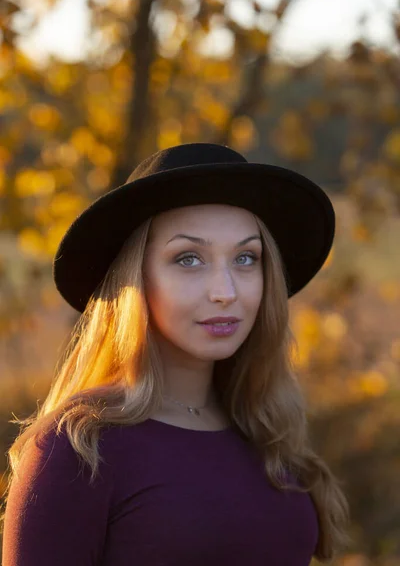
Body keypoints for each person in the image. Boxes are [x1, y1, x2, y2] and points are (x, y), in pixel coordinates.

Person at [1, 143, 351, 565]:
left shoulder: (268, 431)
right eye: (188, 259)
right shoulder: (79, 449)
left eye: (245, 258)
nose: (225, 292)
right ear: (137, 277)